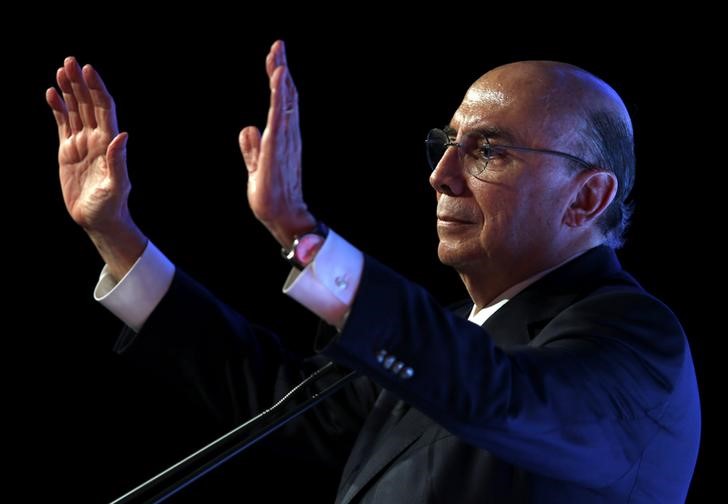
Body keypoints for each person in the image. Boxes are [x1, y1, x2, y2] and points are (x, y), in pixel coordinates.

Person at [46, 40, 701, 502]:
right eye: (445, 147)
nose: (440, 176)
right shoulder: (449, 337)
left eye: (489, 151)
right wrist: (117, 234)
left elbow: (497, 394)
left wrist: (304, 235)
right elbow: (279, 400)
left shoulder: (636, 341)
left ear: (587, 198)